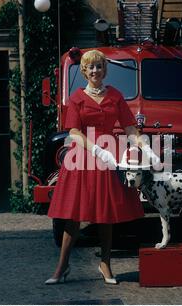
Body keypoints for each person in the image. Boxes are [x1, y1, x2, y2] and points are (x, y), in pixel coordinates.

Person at [45, 49, 160, 285]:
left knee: (105, 214)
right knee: (73, 216)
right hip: (83, 157)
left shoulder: (115, 96)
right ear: (85, 71)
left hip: (110, 158)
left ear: (104, 70)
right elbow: (74, 132)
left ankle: (105, 264)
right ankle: (62, 266)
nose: (95, 70)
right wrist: (96, 149)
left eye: (99, 66)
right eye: (91, 67)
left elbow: (129, 127)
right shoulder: (77, 97)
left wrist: (146, 148)